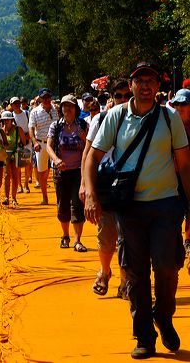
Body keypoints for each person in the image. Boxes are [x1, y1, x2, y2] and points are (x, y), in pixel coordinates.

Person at [84, 63, 190, 359]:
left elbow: (184, 164)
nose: (145, 85)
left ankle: (163, 315)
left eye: (151, 80)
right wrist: (91, 193)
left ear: (158, 85)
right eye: (139, 80)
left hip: (166, 203)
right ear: (130, 85)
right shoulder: (116, 117)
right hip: (128, 206)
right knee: (135, 272)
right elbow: (93, 156)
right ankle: (144, 336)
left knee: (168, 266)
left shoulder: (170, 118)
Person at [81, 78, 132, 298]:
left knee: (127, 236)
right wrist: (85, 185)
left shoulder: (137, 120)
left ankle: (124, 280)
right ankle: (104, 270)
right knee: (106, 235)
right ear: (111, 98)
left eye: (126, 95)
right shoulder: (100, 119)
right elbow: (88, 153)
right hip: (104, 183)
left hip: (129, 183)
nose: (123, 100)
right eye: (118, 96)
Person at [47, 94, 88, 250]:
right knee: (62, 205)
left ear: (75, 108)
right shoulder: (56, 126)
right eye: (64, 106)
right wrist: (56, 160)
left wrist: (84, 138)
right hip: (61, 172)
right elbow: (49, 147)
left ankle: (78, 240)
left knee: (77, 205)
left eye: (70, 105)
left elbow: (89, 147)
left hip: (78, 171)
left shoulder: (83, 125)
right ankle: (65, 235)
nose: (67, 108)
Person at [167, 89, 190, 263]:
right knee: (173, 213)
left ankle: (188, 240)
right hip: (171, 177)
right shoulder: (169, 125)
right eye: (176, 104)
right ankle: (176, 243)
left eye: (184, 103)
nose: (179, 107)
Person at [29, 88, 59, 205]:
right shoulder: (34, 112)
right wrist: (35, 142)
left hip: (55, 143)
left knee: (57, 170)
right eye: (44, 97)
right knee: (42, 172)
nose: (46, 99)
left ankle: (59, 197)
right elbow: (31, 130)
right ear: (40, 99)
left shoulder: (56, 109)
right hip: (41, 144)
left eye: (48, 97)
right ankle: (45, 197)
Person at [1, 110, 26, 207]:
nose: (6, 122)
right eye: (4, 120)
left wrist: (19, 147)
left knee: (15, 176)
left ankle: (14, 198)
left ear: (12, 120)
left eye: (8, 120)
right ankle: (7, 197)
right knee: (7, 176)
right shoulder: (2, 131)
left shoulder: (18, 129)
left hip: (15, 154)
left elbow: (24, 142)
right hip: (5, 155)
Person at [10, 97, 33, 193]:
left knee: (27, 164)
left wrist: (29, 136)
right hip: (17, 142)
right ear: (11, 105)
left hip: (27, 141)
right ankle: (19, 185)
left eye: (17, 103)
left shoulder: (27, 113)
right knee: (18, 166)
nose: (16, 105)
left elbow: (31, 125)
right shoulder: (11, 116)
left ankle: (26, 184)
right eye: (14, 103)